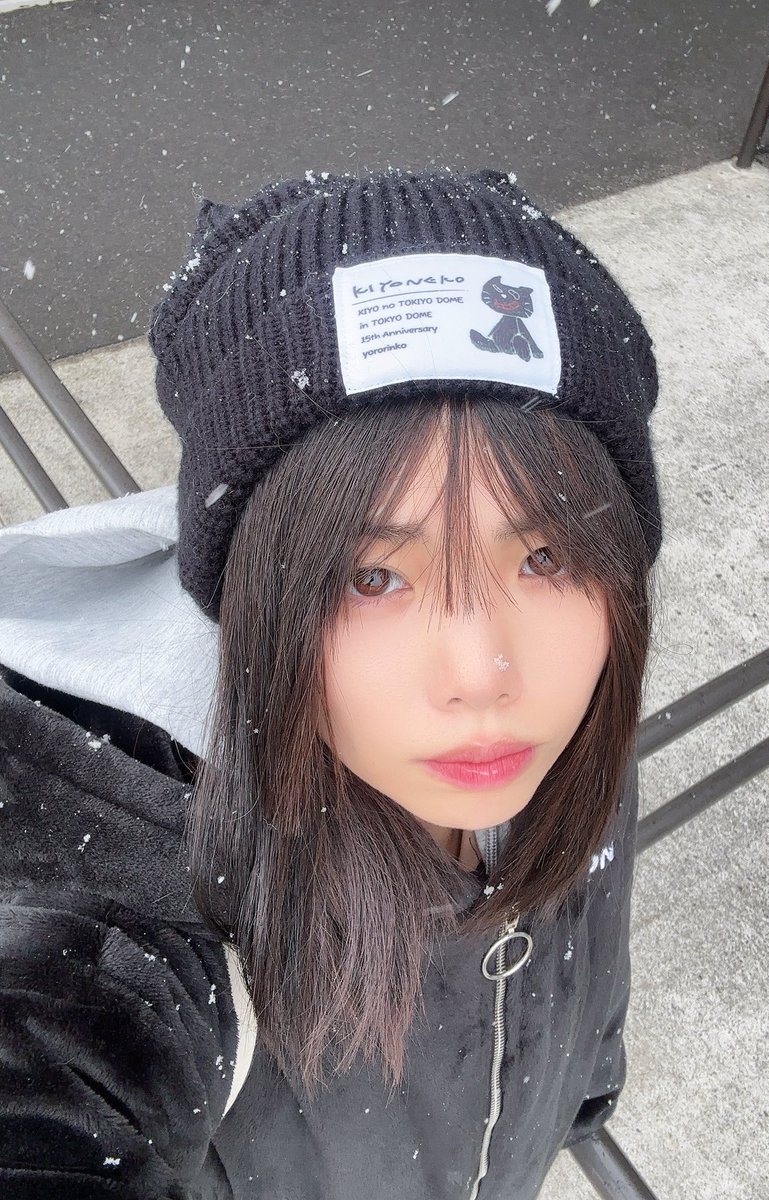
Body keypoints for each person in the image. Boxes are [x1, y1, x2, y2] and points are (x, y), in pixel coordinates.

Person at [0, 166, 662, 1200]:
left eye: (546, 557)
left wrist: (586, 1080)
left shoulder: (568, 702)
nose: (483, 675)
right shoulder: (130, 885)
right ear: (257, 591)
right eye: (373, 577)